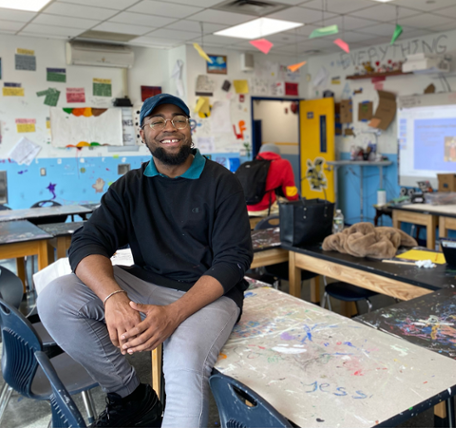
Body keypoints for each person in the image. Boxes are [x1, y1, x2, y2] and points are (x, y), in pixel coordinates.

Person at [38, 94, 253, 428]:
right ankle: (132, 398)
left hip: (208, 295)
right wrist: (113, 298)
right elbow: (86, 241)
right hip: (147, 282)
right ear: (141, 133)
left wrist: (173, 315)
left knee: (182, 364)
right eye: (157, 121)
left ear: (189, 129)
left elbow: (233, 260)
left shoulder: (221, 182)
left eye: (179, 120)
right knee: (56, 298)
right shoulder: (130, 187)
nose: (170, 128)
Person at [246, 143, 300, 216]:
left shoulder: (249, 165)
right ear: (277, 154)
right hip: (265, 208)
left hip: (245, 208)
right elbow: (289, 188)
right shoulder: (283, 164)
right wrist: (296, 203)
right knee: (288, 208)